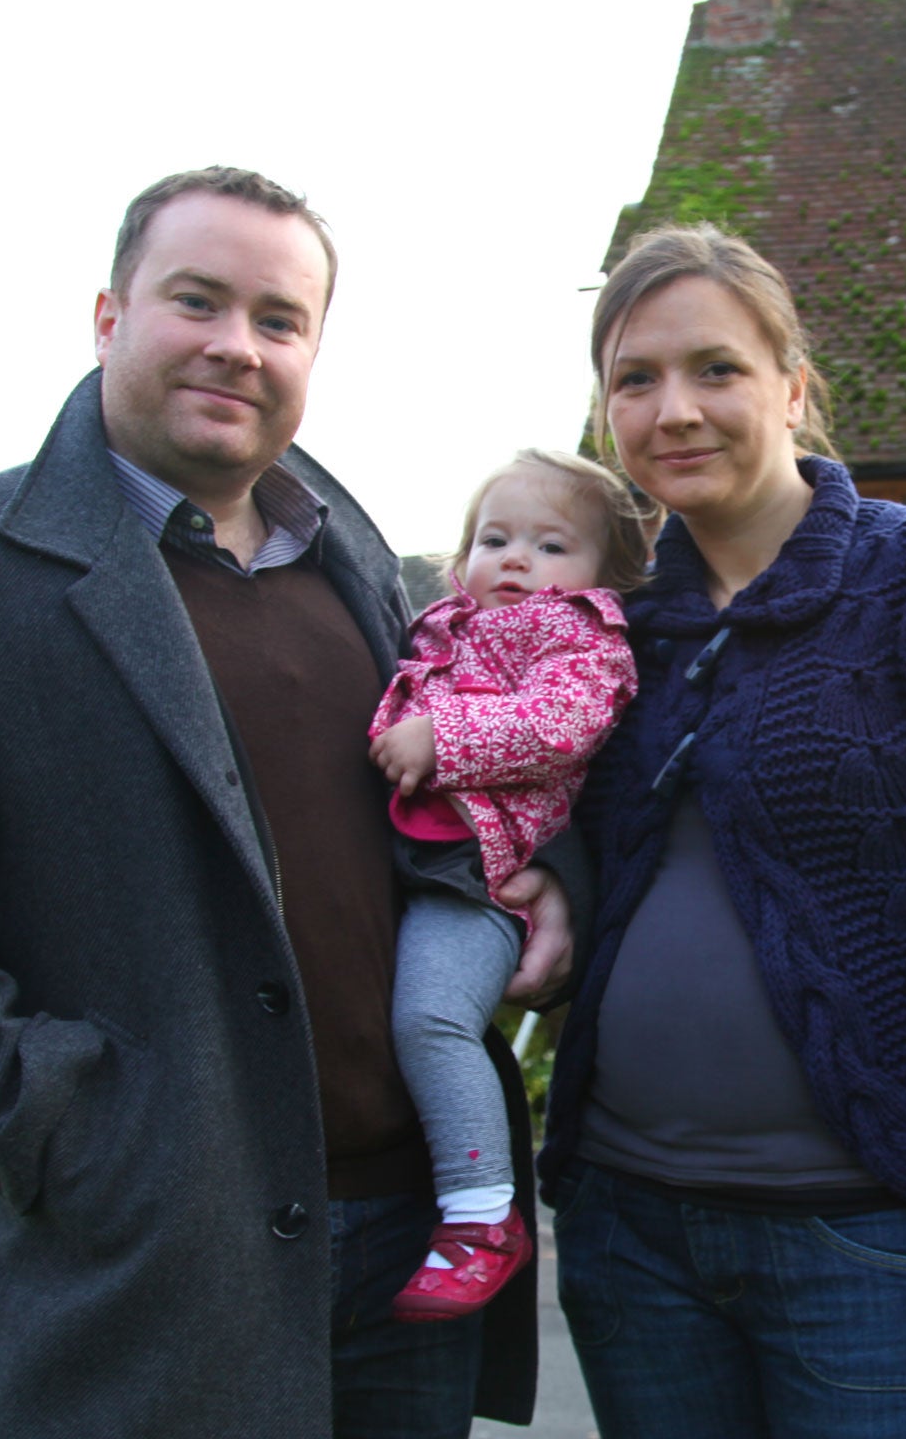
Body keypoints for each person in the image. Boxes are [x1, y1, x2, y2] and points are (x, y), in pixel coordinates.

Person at [0, 167, 575, 1439]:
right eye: (197, 300)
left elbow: (478, 785)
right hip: (151, 1266)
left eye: (278, 319)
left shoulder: (370, 564)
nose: (235, 347)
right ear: (107, 315)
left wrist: (537, 888)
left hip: (410, 1245)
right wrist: (72, 1134)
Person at [537, 223, 906, 1439]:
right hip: (632, 1235)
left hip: (875, 1240)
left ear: (791, 386)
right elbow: (581, 848)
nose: (672, 409)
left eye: (715, 369)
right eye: (634, 379)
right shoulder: (606, 629)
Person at [366, 451, 644, 1321]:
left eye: (552, 545)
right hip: (417, 862)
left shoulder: (580, 635)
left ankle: (483, 1217)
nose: (517, 558)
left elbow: (564, 725)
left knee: (432, 1021)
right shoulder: (438, 625)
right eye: (496, 538)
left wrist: (440, 736)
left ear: (605, 576)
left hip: (481, 877)